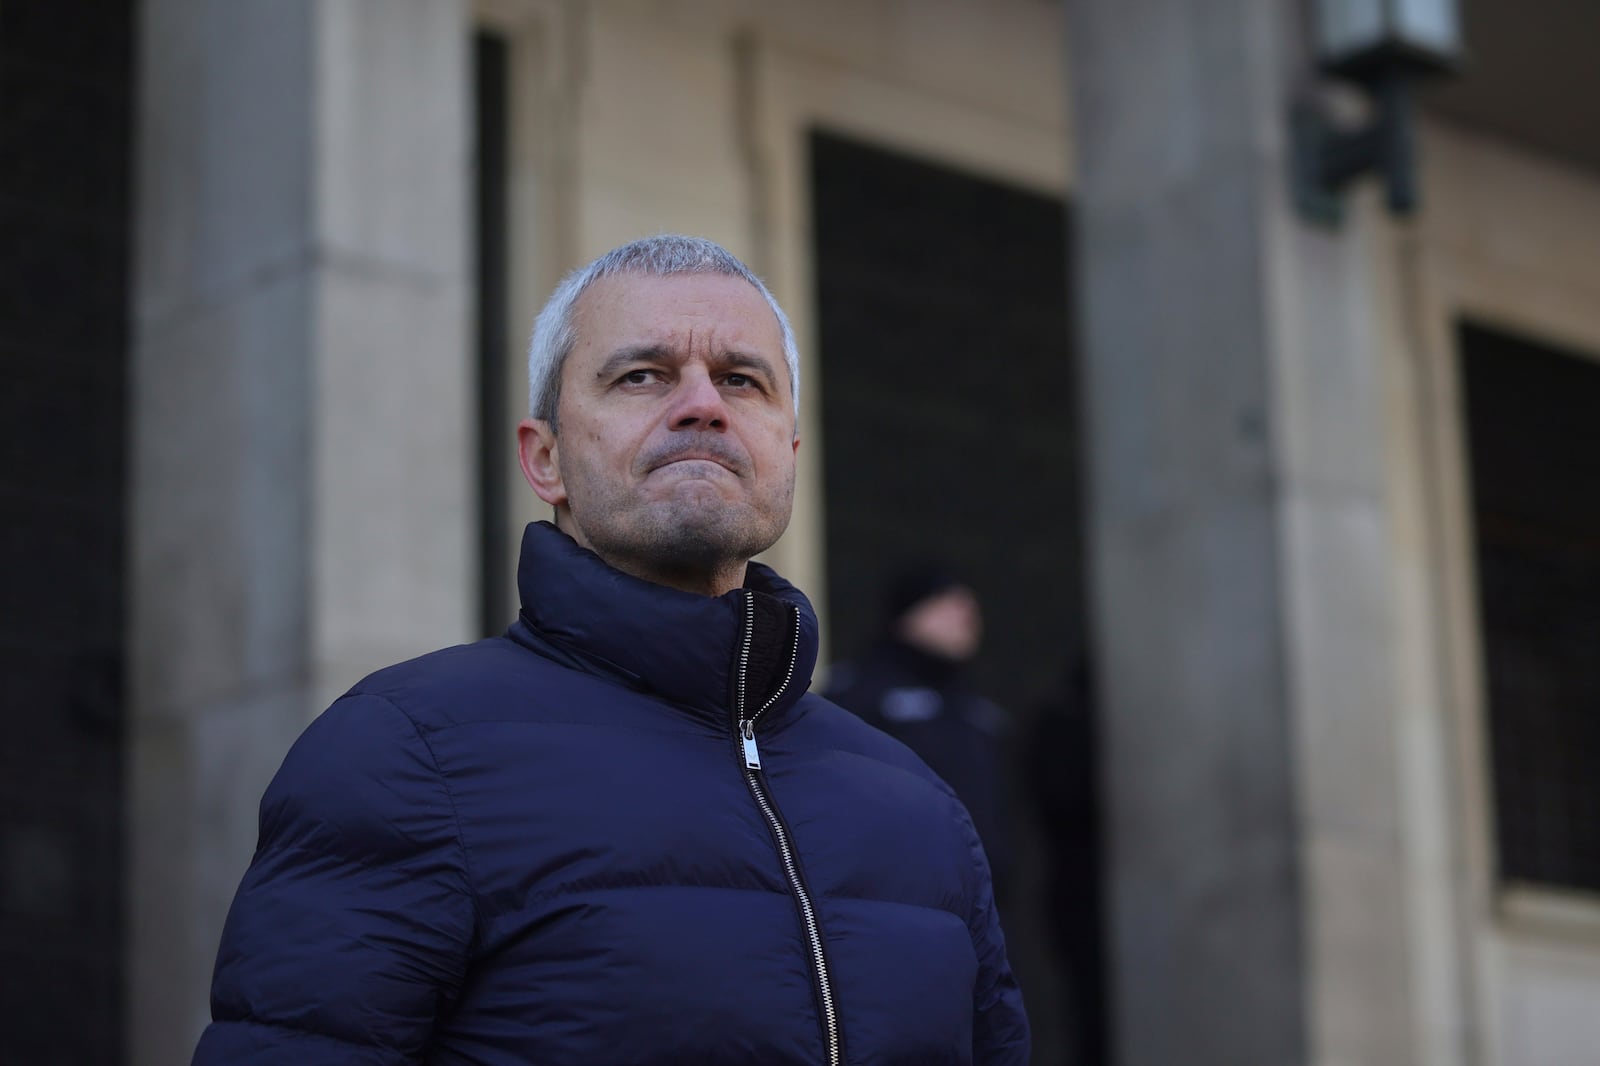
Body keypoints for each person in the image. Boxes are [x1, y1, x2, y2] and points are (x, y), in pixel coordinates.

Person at [192, 235, 1028, 1065]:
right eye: (643, 376)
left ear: (790, 453)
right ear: (545, 457)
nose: (703, 405)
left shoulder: (921, 805)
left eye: (742, 380)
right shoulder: (401, 754)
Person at [824, 567, 1014, 901]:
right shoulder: (858, 694)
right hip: (893, 894)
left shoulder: (977, 708)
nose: (963, 614)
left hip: (982, 898)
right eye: (946, 603)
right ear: (908, 614)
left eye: (968, 606)